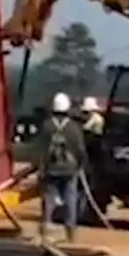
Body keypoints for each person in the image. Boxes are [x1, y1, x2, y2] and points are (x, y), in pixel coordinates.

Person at [40, 91, 87, 242]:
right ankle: (70, 232)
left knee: (49, 198)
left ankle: (46, 227)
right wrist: (81, 165)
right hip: (70, 169)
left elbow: (40, 149)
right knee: (70, 199)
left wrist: (41, 167)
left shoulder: (47, 126)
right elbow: (80, 149)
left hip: (51, 168)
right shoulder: (73, 127)